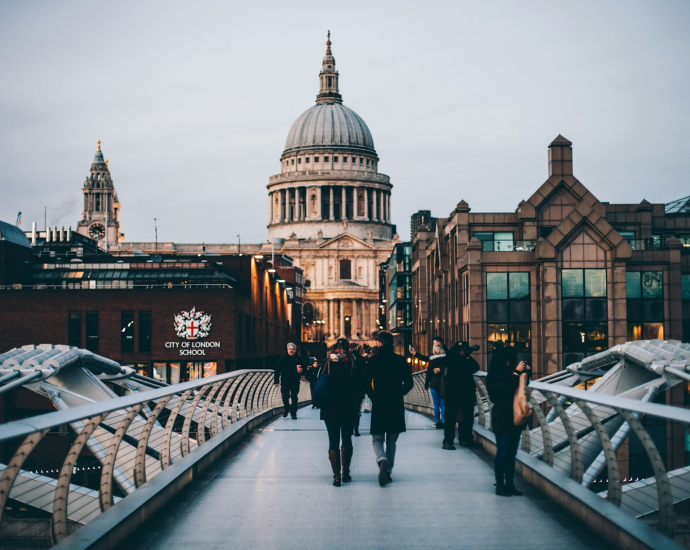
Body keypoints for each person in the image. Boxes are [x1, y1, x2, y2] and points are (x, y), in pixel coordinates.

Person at [366, 331, 414, 487]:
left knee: (377, 437)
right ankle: (388, 471)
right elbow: (409, 383)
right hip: (395, 403)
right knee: (392, 440)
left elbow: (365, 381)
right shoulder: (400, 361)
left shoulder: (373, 361)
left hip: (380, 402)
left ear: (380, 343)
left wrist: (373, 396)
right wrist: (399, 393)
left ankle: (381, 460)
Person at [486, 345, 530, 496]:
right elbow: (503, 391)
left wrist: (525, 373)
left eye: (511, 360)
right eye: (507, 360)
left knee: (512, 453)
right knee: (503, 451)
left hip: (515, 417)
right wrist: (516, 372)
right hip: (501, 416)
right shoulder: (493, 376)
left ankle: (510, 484)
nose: (509, 363)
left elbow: (521, 390)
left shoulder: (512, 373)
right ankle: (500, 484)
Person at [319, 338, 361, 486]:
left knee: (333, 441)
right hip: (348, 407)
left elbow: (319, 382)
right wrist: (357, 406)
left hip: (329, 408)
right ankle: (346, 473)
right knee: (347, 439)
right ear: (347, 349)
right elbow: (359, 386)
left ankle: (336, 476)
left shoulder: (327, 363)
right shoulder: (352, 363)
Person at [441, 341, 480, 450]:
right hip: (454, 392)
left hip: (466, 392)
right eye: (463, 350)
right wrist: (465, 357)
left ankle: (466, 439)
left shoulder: (464, 359)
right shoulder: (451, 358)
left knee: (467, 416)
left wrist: (467, 356)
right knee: (451, 418)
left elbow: (475, 367)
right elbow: (469, 367)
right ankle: (448, 441)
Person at [409, 337, 446, 428]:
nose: (433, 345)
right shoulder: (447, 358)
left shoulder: (432, 360)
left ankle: (438, 422)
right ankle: (445, 422)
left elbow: (429, 373)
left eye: (434, 344)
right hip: (444, 383)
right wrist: (415, 353)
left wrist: (426, 385)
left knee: (436, 404)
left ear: (438, 345)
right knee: (443, 404)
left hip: (434, 384)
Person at [274, 342, 304, 419]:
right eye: (290, 349)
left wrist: (302, 371)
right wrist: (276, 381)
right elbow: (277, 370)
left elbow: (304, 368)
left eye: (293, 349)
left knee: (294, 397)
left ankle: (293, 413)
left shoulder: (299, 359)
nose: (291, 350)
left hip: (295, 382)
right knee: (285, 397)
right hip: (285, 382)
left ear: (295, 350)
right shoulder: (283, 358)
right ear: (287, 350)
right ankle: (287, 408)